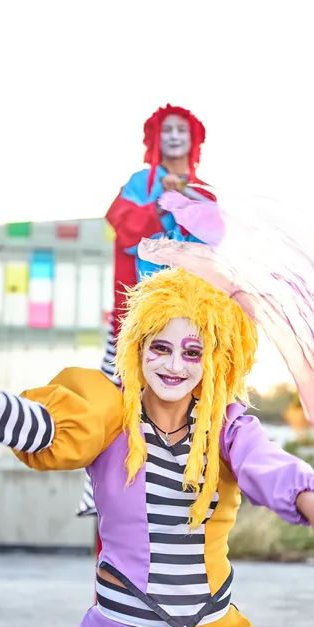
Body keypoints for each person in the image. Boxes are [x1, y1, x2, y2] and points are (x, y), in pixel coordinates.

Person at [0, 268, 314, 627]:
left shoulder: (227, 428)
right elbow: (42, 428)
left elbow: (268, 465)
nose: (174, 365)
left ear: (213, 360)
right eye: (161, 347)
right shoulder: (110, 413)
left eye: (192, 352)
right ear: (138, 347)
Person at [80, 104, 214, 550]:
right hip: (133, 326)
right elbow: (123, 225)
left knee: (190, 420)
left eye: (182, 130)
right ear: (155, 137)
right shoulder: (140, 184)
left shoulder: (204, 192)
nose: (174, 136)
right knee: (115, 415)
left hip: (189, 330)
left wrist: (188, 200)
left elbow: (215, 243)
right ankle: (108, 531)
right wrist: (162, 204)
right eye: (167, 129)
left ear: (193, 140)